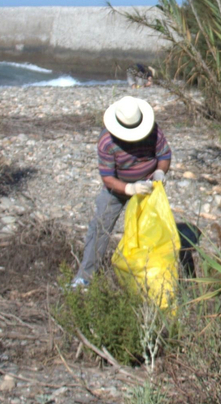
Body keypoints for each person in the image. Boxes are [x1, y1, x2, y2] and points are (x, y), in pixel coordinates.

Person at [72, 95, 172, 288]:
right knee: (100, 226)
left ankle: (150, 276)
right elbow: (107, 177)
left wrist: (160, 172)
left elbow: (164, 155)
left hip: (148, 185)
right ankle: (85, 277)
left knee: (152, 229)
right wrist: (129, 188)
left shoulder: (153, 130)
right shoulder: (106, 141)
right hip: (117, 187)